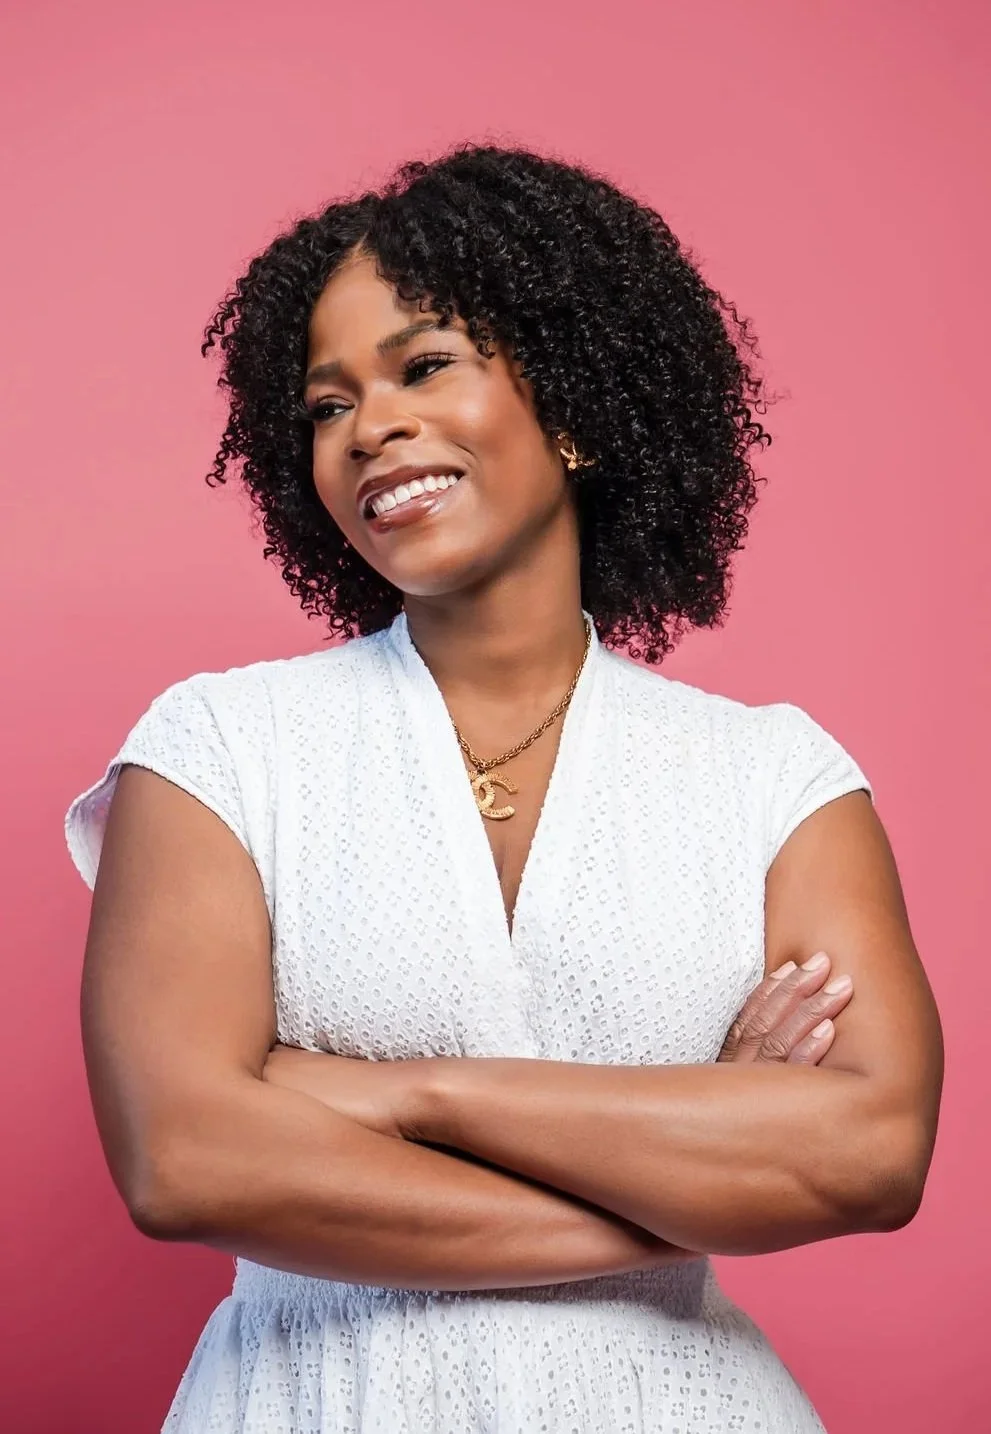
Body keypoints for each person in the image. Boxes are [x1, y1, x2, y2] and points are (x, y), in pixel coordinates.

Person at [64, 143, 944, 1433]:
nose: (370, 427)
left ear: (575, 405)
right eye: (326, 405)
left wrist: (404, 1091)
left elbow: (868, 1156)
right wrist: (688, 1174)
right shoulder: (219, 749)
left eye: (424, 367)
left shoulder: (773, 777)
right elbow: (186, 1161)